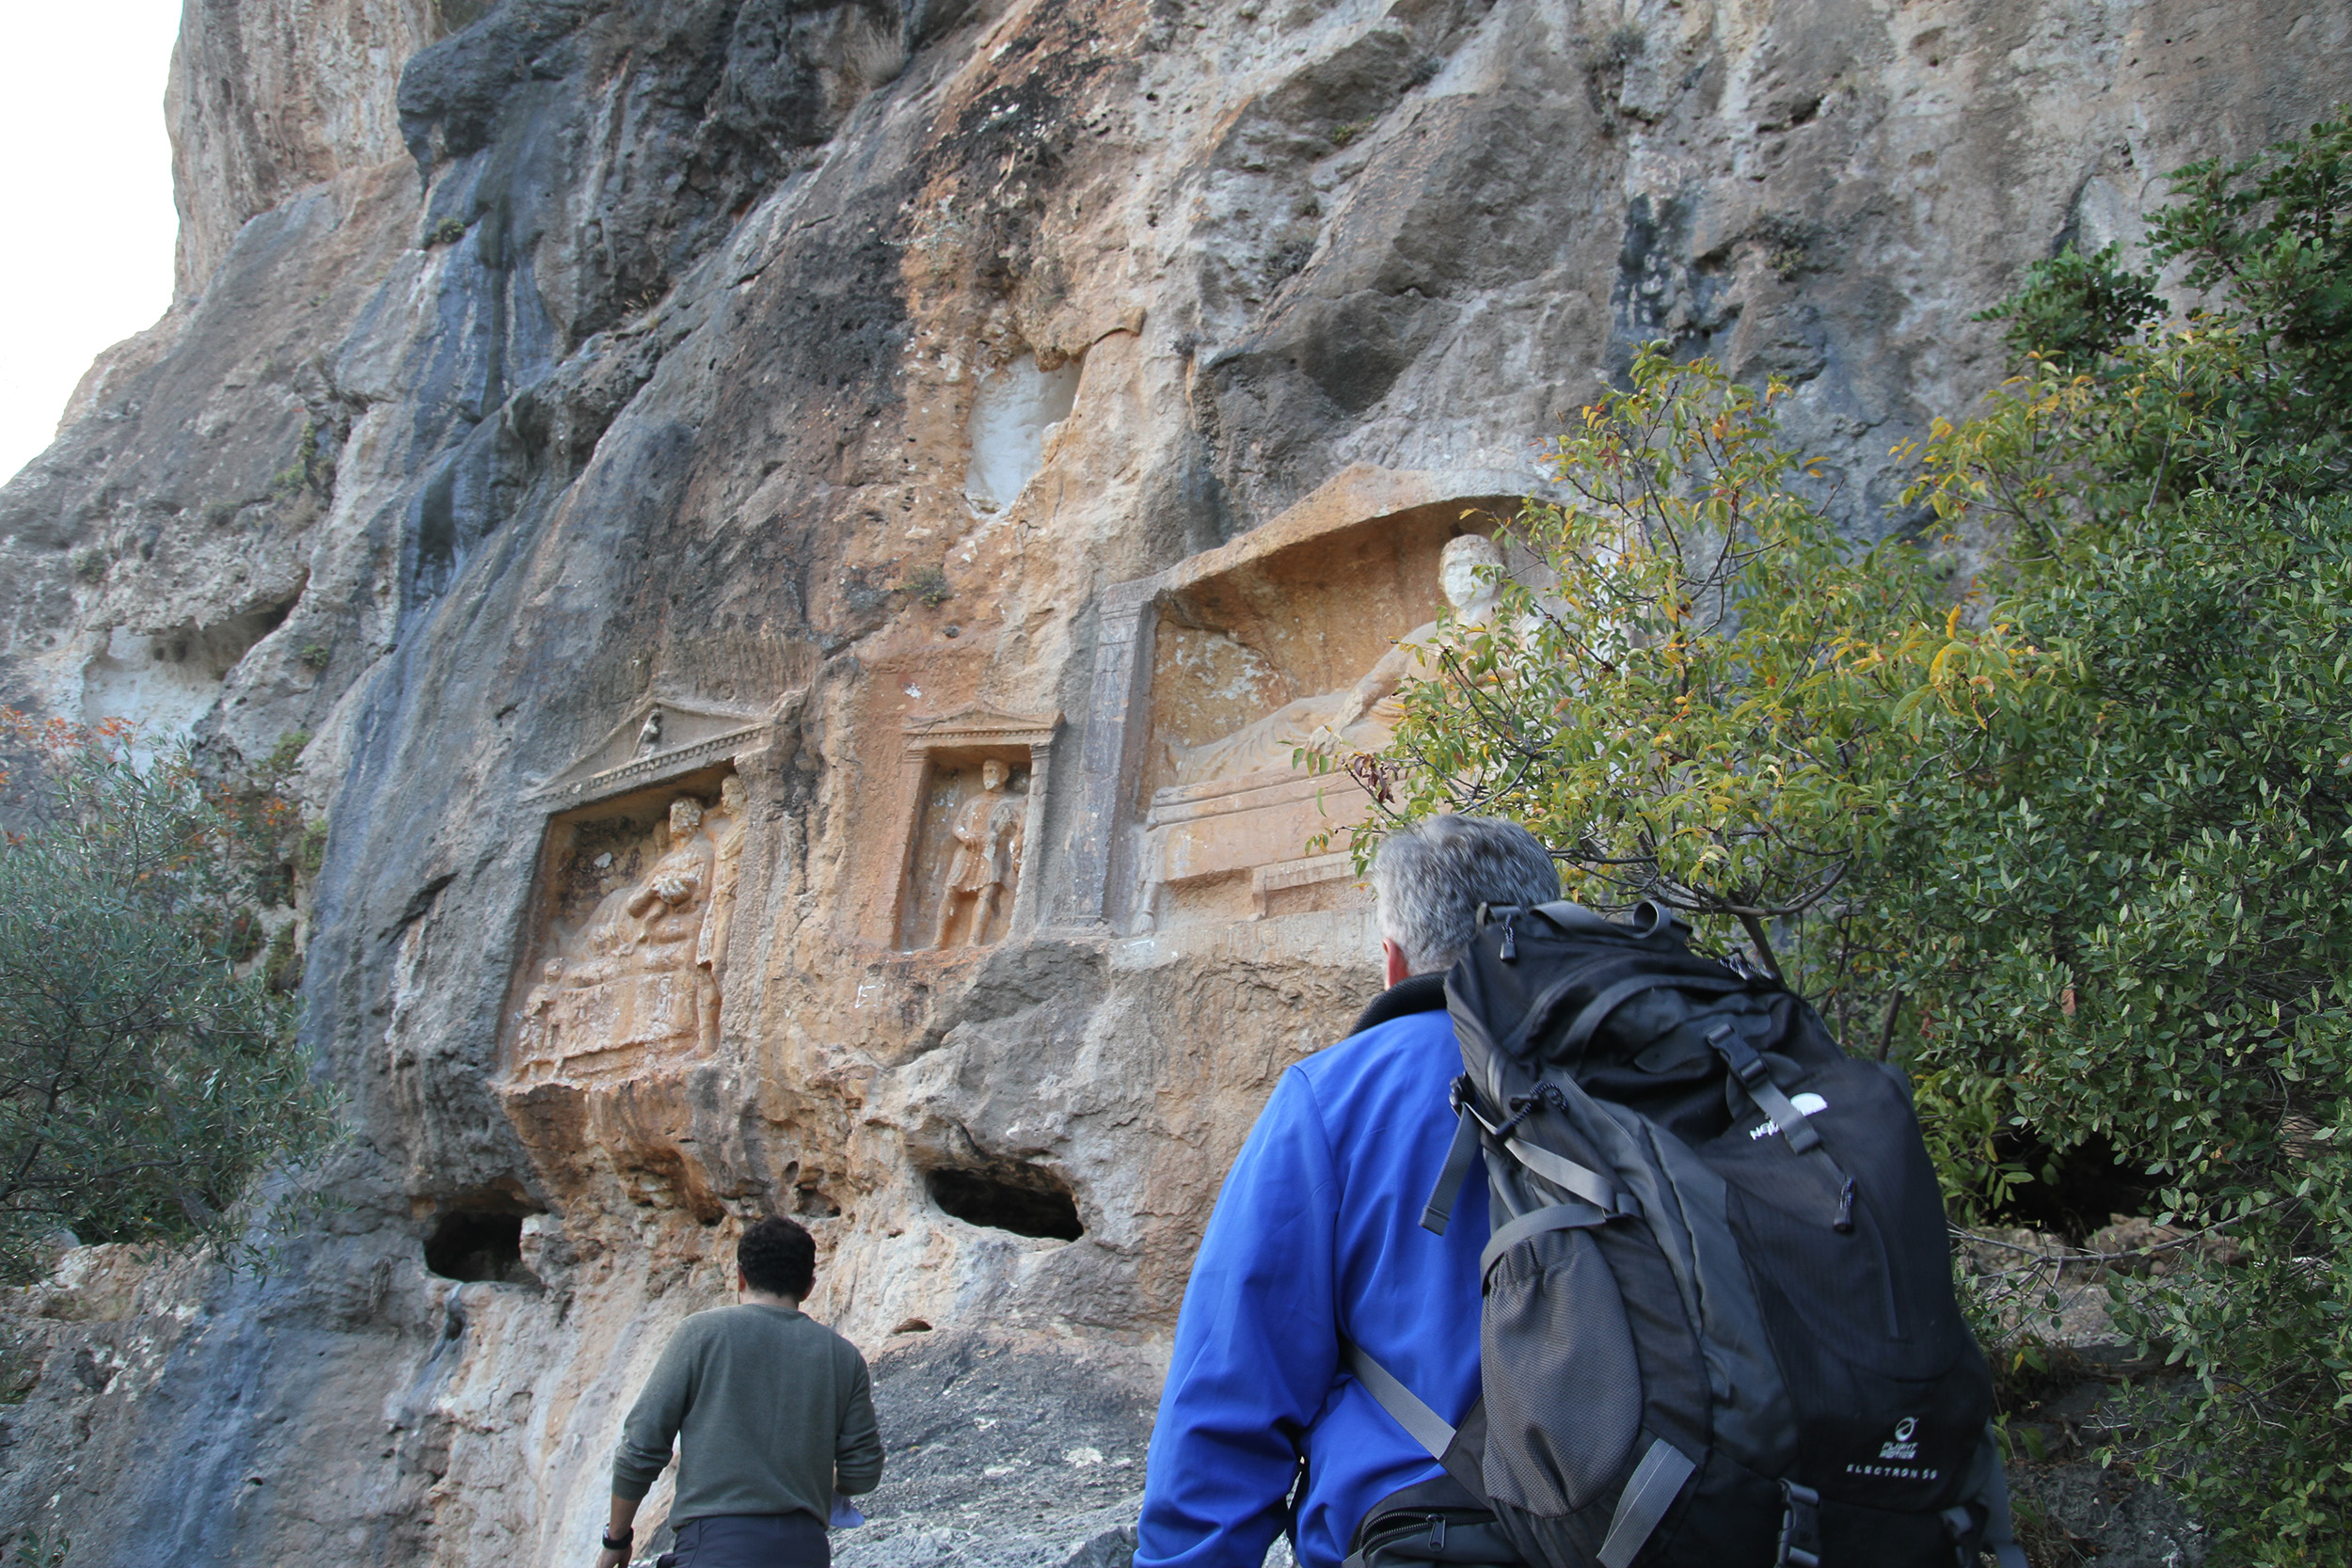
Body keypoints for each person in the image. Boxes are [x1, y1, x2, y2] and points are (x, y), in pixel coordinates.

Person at [1134, 816, 1563, 1568]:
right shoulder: (1654, 1071)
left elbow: (1231, 1387)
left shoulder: (1333, 1096)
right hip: (1662, 1524)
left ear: (1394, 962)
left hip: (1426, 1534)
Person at [597, 1216, 885, 1568]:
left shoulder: (701, 1335)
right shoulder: (843, 1357)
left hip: (717, 1547)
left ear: (740, 1276)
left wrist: (617, 1539)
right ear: (809, 1286)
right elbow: (864, 1471)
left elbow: (641, 1447)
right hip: (806, 1552)